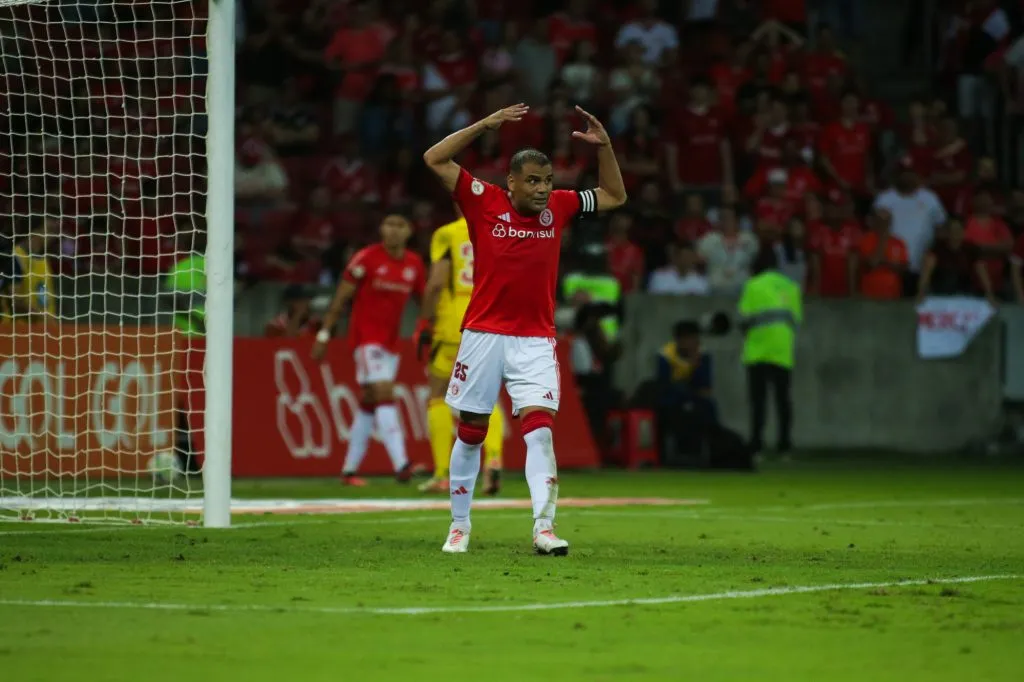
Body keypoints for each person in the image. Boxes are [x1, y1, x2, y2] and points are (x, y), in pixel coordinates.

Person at [422, 103, 626, 555]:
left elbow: (614, 196)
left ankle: (544, 528)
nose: (543, 189)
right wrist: (483, 125)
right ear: (511, 182)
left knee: (540, 431)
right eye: (533, 181)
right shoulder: (482, 198)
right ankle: (459, 525)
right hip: (482, 335)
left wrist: (605, 147)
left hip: (534, 340)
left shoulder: (561, 206)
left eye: (547, 180)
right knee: (471, 430)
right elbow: (434, 158)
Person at [311, 214, 426, 486]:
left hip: (391, 344)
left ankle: (349, 471)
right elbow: (342, 297)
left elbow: (424, 300)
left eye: (400, 225)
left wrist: (430, 328)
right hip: (366, 340)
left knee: (369, 402)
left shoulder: (414, 264)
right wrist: (324, 334)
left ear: (409, 231)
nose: (394, 230)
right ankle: (402, 464)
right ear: (381, 229)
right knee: (384, 392)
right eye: (389, 224)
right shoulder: (366, 258)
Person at [416, 209, 505, 496]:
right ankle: (494, 458)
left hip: (454, 322)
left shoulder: (448, 233)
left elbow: (437, 283)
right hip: (490, 319)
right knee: (485, 396)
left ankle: (442, 473)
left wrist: (424, 322)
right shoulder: (500, 229)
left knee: (438, 394)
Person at [739, 248, 802, 456]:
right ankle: (785, 445)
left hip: (757, 350)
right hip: (782, 350)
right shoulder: (791, 286)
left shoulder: (753, 285)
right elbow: (796, 320)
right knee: (783, 400)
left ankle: (756, 444)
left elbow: (744, 319)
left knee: (758, 401)